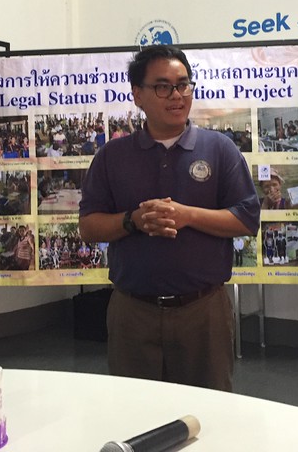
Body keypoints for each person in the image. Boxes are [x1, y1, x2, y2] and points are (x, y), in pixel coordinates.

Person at [78, 45, 260, 391]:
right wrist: (133, 220)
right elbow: (88, 227)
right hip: (133, 312)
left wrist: (187, 215)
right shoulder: (112, 156)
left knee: (207, 412)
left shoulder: (220, 149)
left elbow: (247, 219)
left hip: (203, 311)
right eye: (163, 86)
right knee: (135, 409)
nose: (177, 95)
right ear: (138, 95)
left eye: (183, 84)